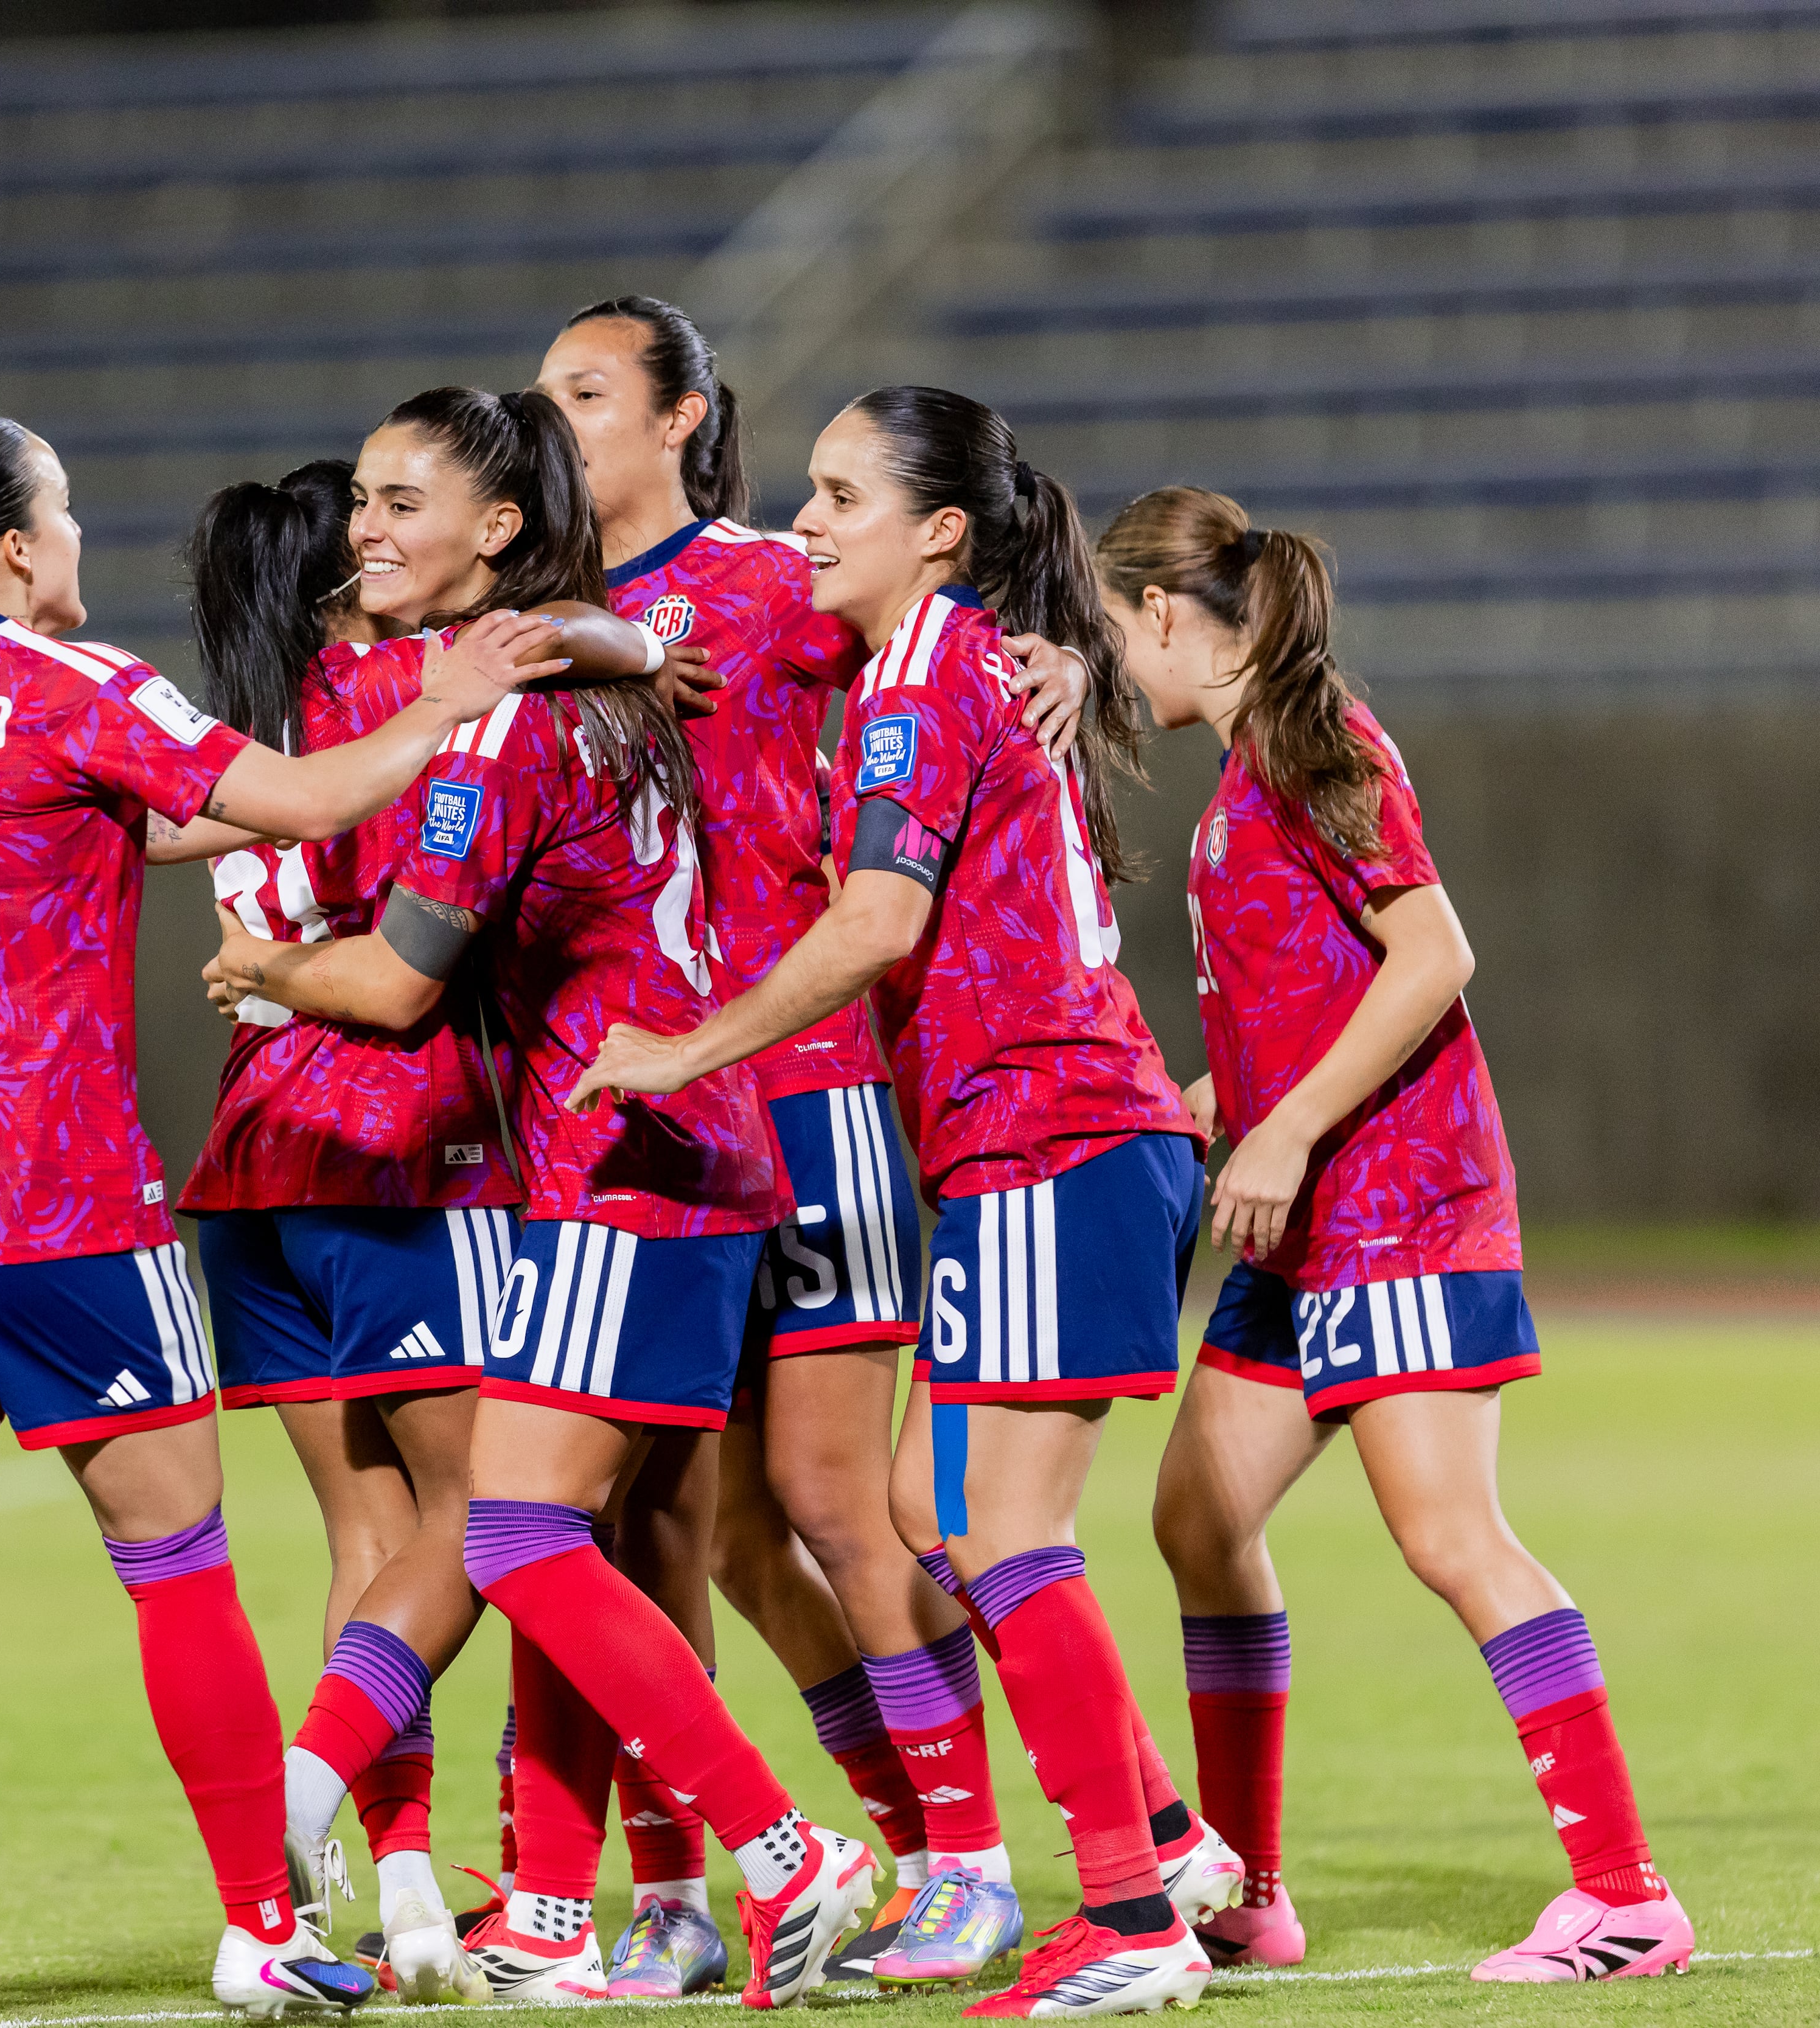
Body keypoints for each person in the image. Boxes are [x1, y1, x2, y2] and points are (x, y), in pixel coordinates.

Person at [0, 411, 559, 2028]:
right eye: (59, 510)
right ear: (14, 549)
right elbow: (287, 787)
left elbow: (165, 817)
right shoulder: (81, 685)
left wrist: (338, 778)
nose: (76, 535)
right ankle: (265, 1925)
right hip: (54, 1209)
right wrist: (455, 701)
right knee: (178, 1562)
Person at [206, 385, 888, 2012]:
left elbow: (391, 984)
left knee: (514, 1526)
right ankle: (588, 1900)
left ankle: (790, 1846)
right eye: (359, 500)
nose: (366, 528)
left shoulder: (505, 719)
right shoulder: (594, 674)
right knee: (595, 1527)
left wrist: (264, 963)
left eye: (399, 500)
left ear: (499, 528)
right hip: (691, 1143)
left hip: (607, 1156)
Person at [573, 388, 1246, 2019]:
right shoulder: (931, 668)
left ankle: (1130, 1902)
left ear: (942, 530)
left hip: (1049, 1134)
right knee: (939, 1517)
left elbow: (875, 921)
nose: (808, 521)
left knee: (1000, 1533)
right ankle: (1159, 1846)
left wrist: (684, 1048)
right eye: (808, 490)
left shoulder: (920, 681)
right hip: (1044, 1142)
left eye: (843, 494)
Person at [535, 299, 1084, 1997]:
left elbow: (959, 634)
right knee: (682, 1534)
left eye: (586, 394)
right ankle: (762, 1873)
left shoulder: (781, 577)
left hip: (803, 1080)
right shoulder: (540, 620)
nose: (552, 423)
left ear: (686, 416)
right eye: (538, 397)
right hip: (646, 1112)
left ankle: (977, 1850)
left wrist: (1069, 651)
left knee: (841, 1498)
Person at [1083, 484, 1692, 1982]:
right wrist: (1212, 1100)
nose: (1106, 670)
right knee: (1197, 1520)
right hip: (1309, 1227)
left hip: (1397, 1203)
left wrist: (1284, 1129)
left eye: (1110, 633)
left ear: (1161, 614)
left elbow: (1431, 954)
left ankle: (1624, 1894)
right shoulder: (1243, 778)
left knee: (1446, 1533)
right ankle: (1246, 1891)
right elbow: (1316, 997)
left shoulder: (1312, 740)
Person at [159, 456, 706, 2002]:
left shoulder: (238, 738)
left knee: (364, 1538)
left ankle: (392, 1895)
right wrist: (648, 646)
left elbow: (154, 840)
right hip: (405, 1146)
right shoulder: (419, 685)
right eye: (372, 526)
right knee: (508, 1517)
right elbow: (590, 640)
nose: (393, 546)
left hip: (250, 1157)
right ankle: (344, 1821)